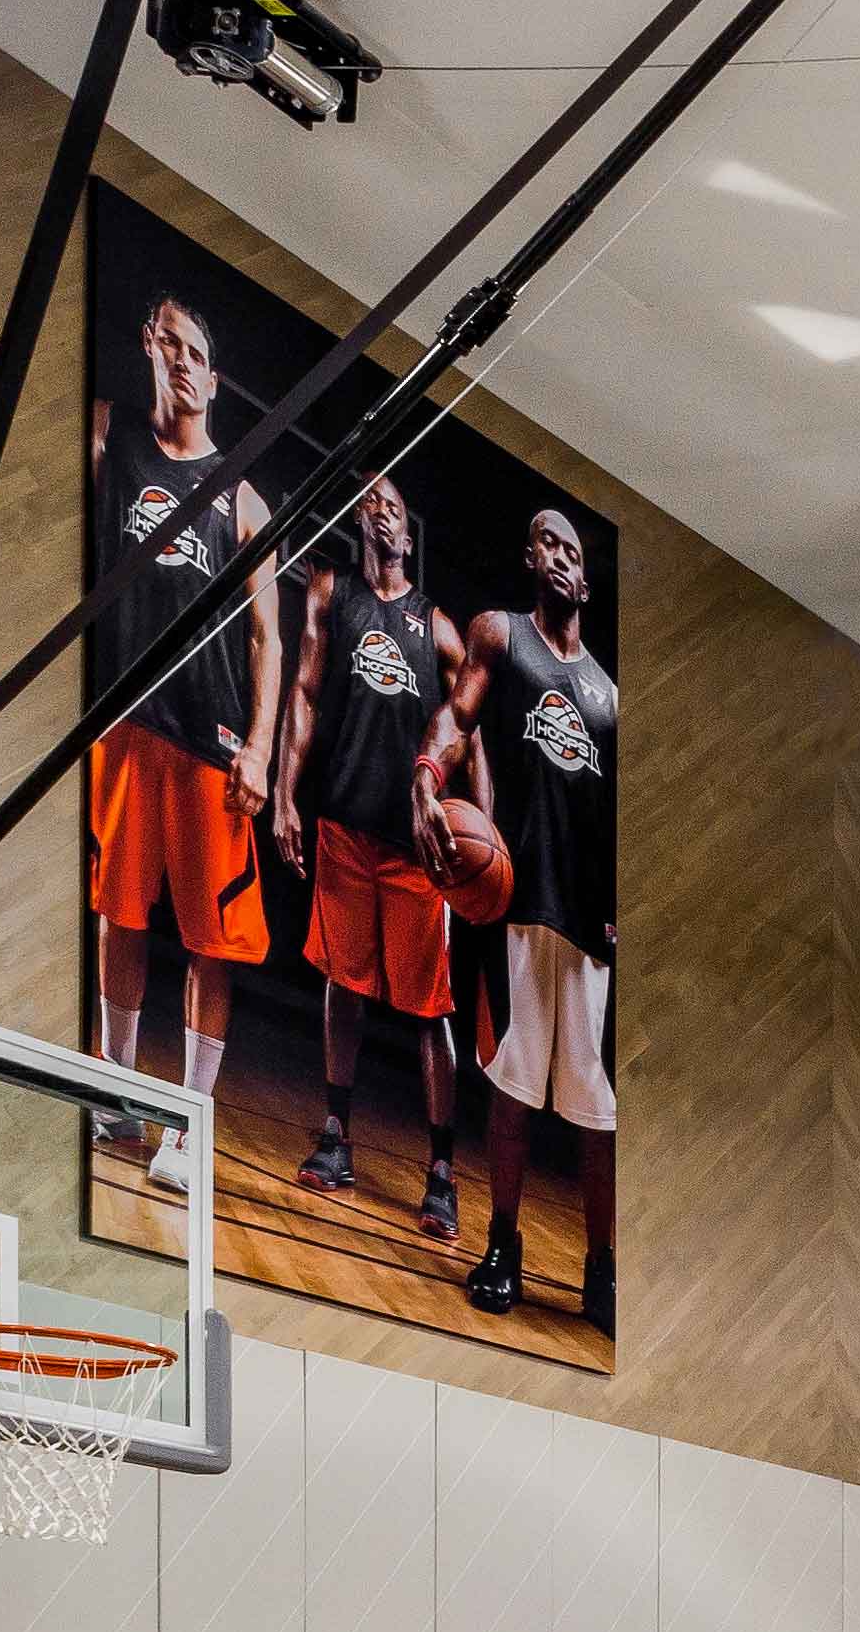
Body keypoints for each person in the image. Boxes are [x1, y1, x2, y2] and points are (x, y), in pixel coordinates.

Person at [81, 291, 279, 1169]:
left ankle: (190, 1123)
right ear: (149, 347)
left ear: (215, 377)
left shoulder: (242, 498)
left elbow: (269, 637)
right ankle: (115, 1092)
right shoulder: (108, 438)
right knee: (119, 916)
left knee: (212, 941)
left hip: (212, 737)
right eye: (171, 345)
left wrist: (261, 749)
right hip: (125, 720)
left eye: (197, 353)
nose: (184, 363)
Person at [266, 474, 467, 1236]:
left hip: (414, 848)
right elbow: (304, 695)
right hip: (346, 825)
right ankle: (336, 1135)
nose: (382, 511)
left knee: (431, 1010)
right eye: (372, 502)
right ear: (360, 521)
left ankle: (442, 1170)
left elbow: (467, 729)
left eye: (395, 505)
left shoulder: (437, 627)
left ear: (408, 535)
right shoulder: (333, 592)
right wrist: (285, 794)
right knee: (341, 985)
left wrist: (478, 826)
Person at [432, 504, 618, 1324]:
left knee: (596, 1108)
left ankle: (601, 1271)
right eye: (545, 542)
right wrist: (426, 771)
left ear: (587, 579)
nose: (559, 556)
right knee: (512, 1084)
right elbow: (456, 716)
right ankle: (502, 1246)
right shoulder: (501, 636)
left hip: (589, 919)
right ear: (529, 560)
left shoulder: (611, 697)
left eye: (571, 549)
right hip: (515, 900)